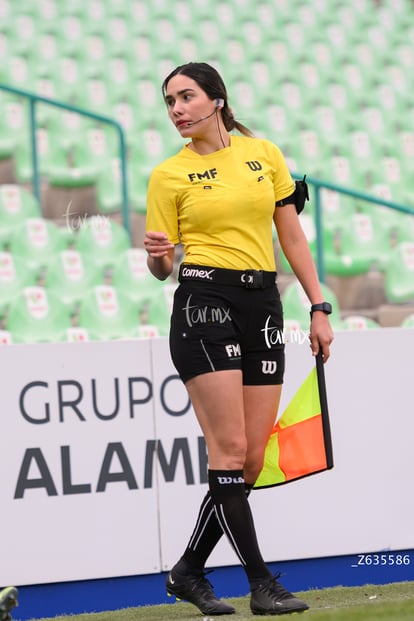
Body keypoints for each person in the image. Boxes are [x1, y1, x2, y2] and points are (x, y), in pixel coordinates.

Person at [144, 62, 333, 616]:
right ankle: (260, 584)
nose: (177, 109)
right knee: (225, 452)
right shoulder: (168, 175)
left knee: (249, 461)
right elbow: (161, 267)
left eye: (186, 96)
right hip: (203, 301)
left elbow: (291, 234)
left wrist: (318, 307)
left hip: (263, 303)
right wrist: (159, 256)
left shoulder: (265, 155)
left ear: (217, 99)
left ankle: (187, 571)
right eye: (169, 101)